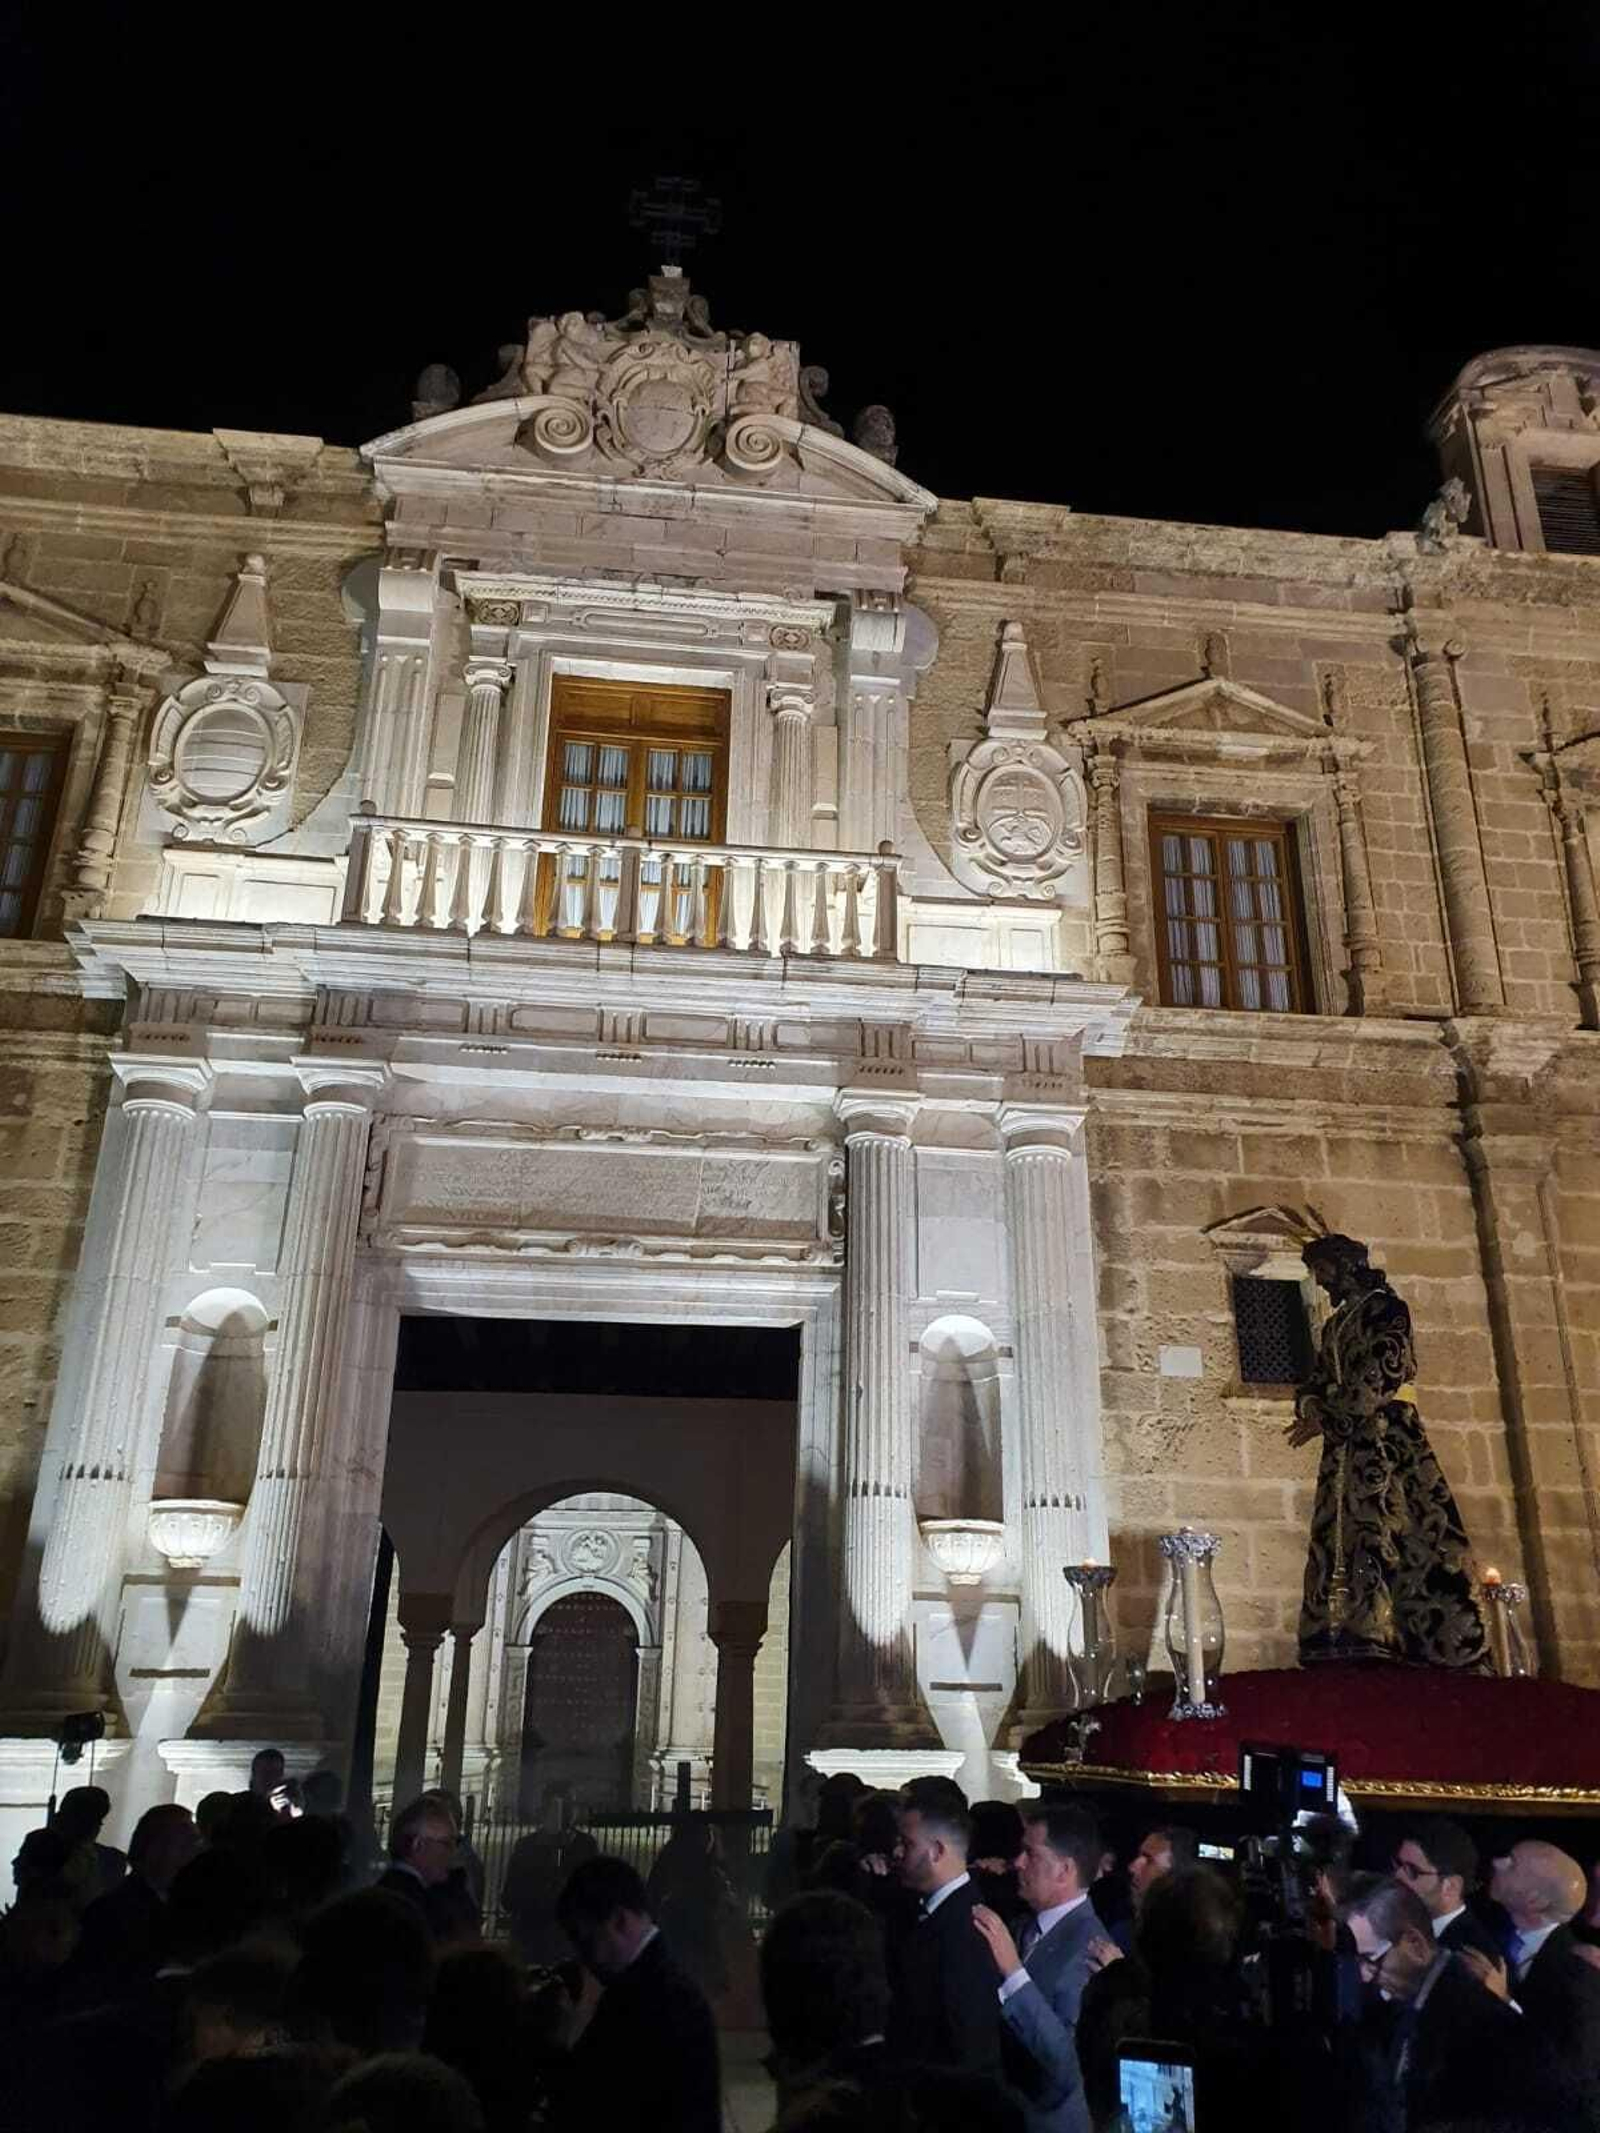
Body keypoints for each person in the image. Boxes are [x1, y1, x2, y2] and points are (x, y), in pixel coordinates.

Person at [1287, 1233, 1489, 1668]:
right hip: (1346, 1449)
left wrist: (1330, 1414)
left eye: (1323, 1270)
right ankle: (1346, 1633)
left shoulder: (1387, 1309)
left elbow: (1382, 1372)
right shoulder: (1334, 1326)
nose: (1320, 1281)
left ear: (1345, 1266)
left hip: (1387, 1438)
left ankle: (1404, 1636)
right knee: (1346, 1534)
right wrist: (1312, 1406)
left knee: (1396, 1526)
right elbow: (1316, 1380)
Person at [1339, 1873, 1544, 2132]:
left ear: (1416, 1945)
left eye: (1371, 1960)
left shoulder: (1473, 2022)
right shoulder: (1409, 2007)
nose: (1364, 1976)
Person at [549, 1854, 721, 2133]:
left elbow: (586, 2104)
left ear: (619, 1920)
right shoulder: (664, 1989)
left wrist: (558, 2044)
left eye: (588, 1941)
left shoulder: (642, 2002)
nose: (586, 1958)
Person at [972, 1803, 1102, 2133]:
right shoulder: (1023, 1926)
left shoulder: (1090, 1949)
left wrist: (1014, 1973)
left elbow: (1066, 2065)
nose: (1018, 1862)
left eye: (1031, 1854)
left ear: (1064, 1870)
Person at [1466, 1840, 1600, 2120]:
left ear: (1534, 1901)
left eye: (1512, 1864)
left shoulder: (1578, 1975)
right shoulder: (1485, 1926)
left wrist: (1505, 2003)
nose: (1497, 1863)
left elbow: (1568, 2072)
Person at [887, 1776, 1004, 2083]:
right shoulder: (922, 1911)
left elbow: (967, 2046)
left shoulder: (966, 1930)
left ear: (937, 1851)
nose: (896, 1852)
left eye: (907, 1844)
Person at [72, 1801, 197, 1990]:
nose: (194, 1852)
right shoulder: (113, 1912)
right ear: (154, 1848)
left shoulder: (182, 1904)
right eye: (185, 1843)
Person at [1391, 1816, 1501, 1961]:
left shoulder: (1473, 1957)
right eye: (1398, 1864)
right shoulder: (1393, 1924)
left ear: (1451, 1887)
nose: (1397, 1875)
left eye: (1412, 1871)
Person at [378, 1796, 480, 1946]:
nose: (453, 1852)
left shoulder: (381, 1891)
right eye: (447, 1843)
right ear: (418, 1844)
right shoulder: (424, 1906)